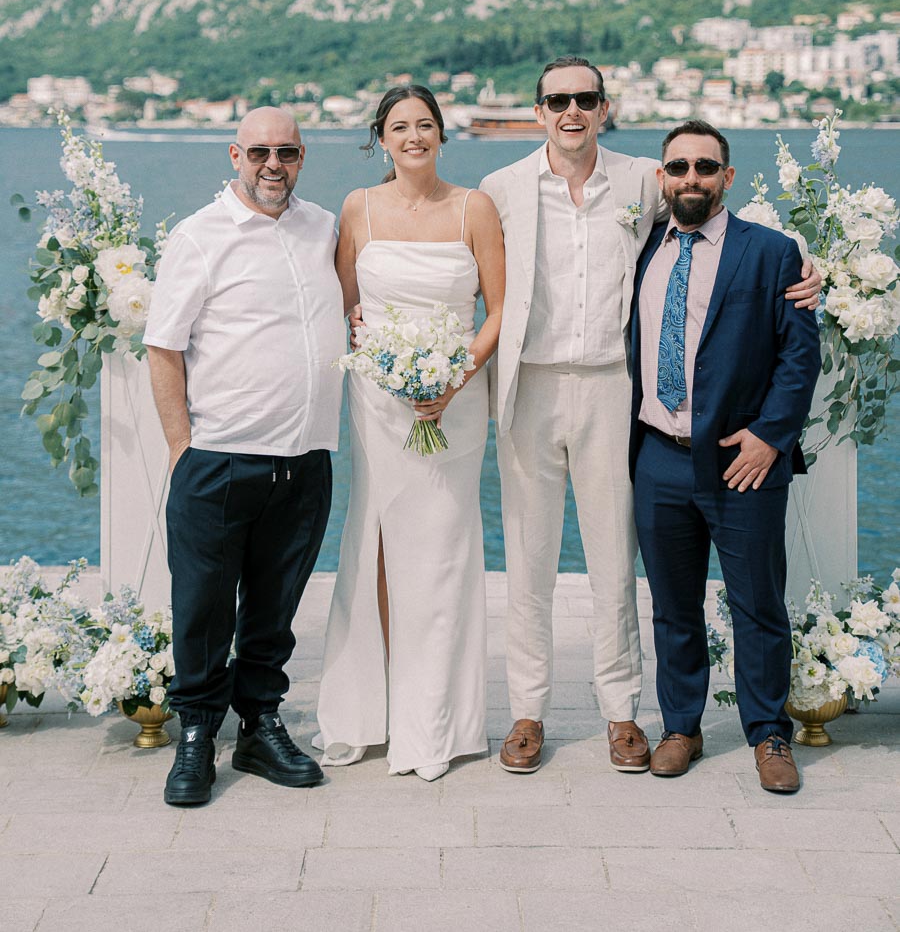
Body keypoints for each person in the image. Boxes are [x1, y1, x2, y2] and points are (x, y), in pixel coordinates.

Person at [479, 57, 822, 775]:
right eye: (557, 100)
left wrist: (811, 267)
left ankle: (624, 715)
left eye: (585, 99)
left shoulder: (642, 179)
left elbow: (734, 240)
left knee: (615, 563)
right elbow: (456, 268)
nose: (571, 111)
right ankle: (528, 712)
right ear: (539, 108)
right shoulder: (499, 189)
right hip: (531, 389)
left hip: (613, 391)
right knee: (528, 561)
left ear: (605, 108)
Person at [144, 106, 346, 806]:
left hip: (305, 461)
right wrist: (181, 449)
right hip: (220, 460)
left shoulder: (322, 228)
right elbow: (163, 348)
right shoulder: (199, 238)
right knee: (202, 611)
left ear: (301, 157)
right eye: (259, 151)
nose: (273, 164)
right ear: (235, 154)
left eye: (287, 152)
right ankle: (197, 735)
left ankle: (260, 725)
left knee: (274, 609)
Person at [314, 85, 505, 781]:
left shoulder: (473, 207)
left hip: (455, 401)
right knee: (379, 545)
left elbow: (498, 311)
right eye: (401, 127)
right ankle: (377, 710)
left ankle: (436, 723)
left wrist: (456, 377)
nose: (415, 136)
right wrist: (382, 359)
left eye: (426, 125)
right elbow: (345, 304)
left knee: (446, 550)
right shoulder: (357, 209)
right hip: (378, 401)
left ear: (442, 135)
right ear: (381, 138)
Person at [630, 120, 820, 793]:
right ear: (662, 178)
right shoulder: (642, 247)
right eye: (678, 168)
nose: (691, 179)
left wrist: (771, 435)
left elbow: (800, 357)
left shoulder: (772, 252)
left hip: (745, 461)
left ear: (727, 177)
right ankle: (681, 726)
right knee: (672, 606)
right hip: (657, 457)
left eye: (705, 168)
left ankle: (770, 733)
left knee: (758, 604)